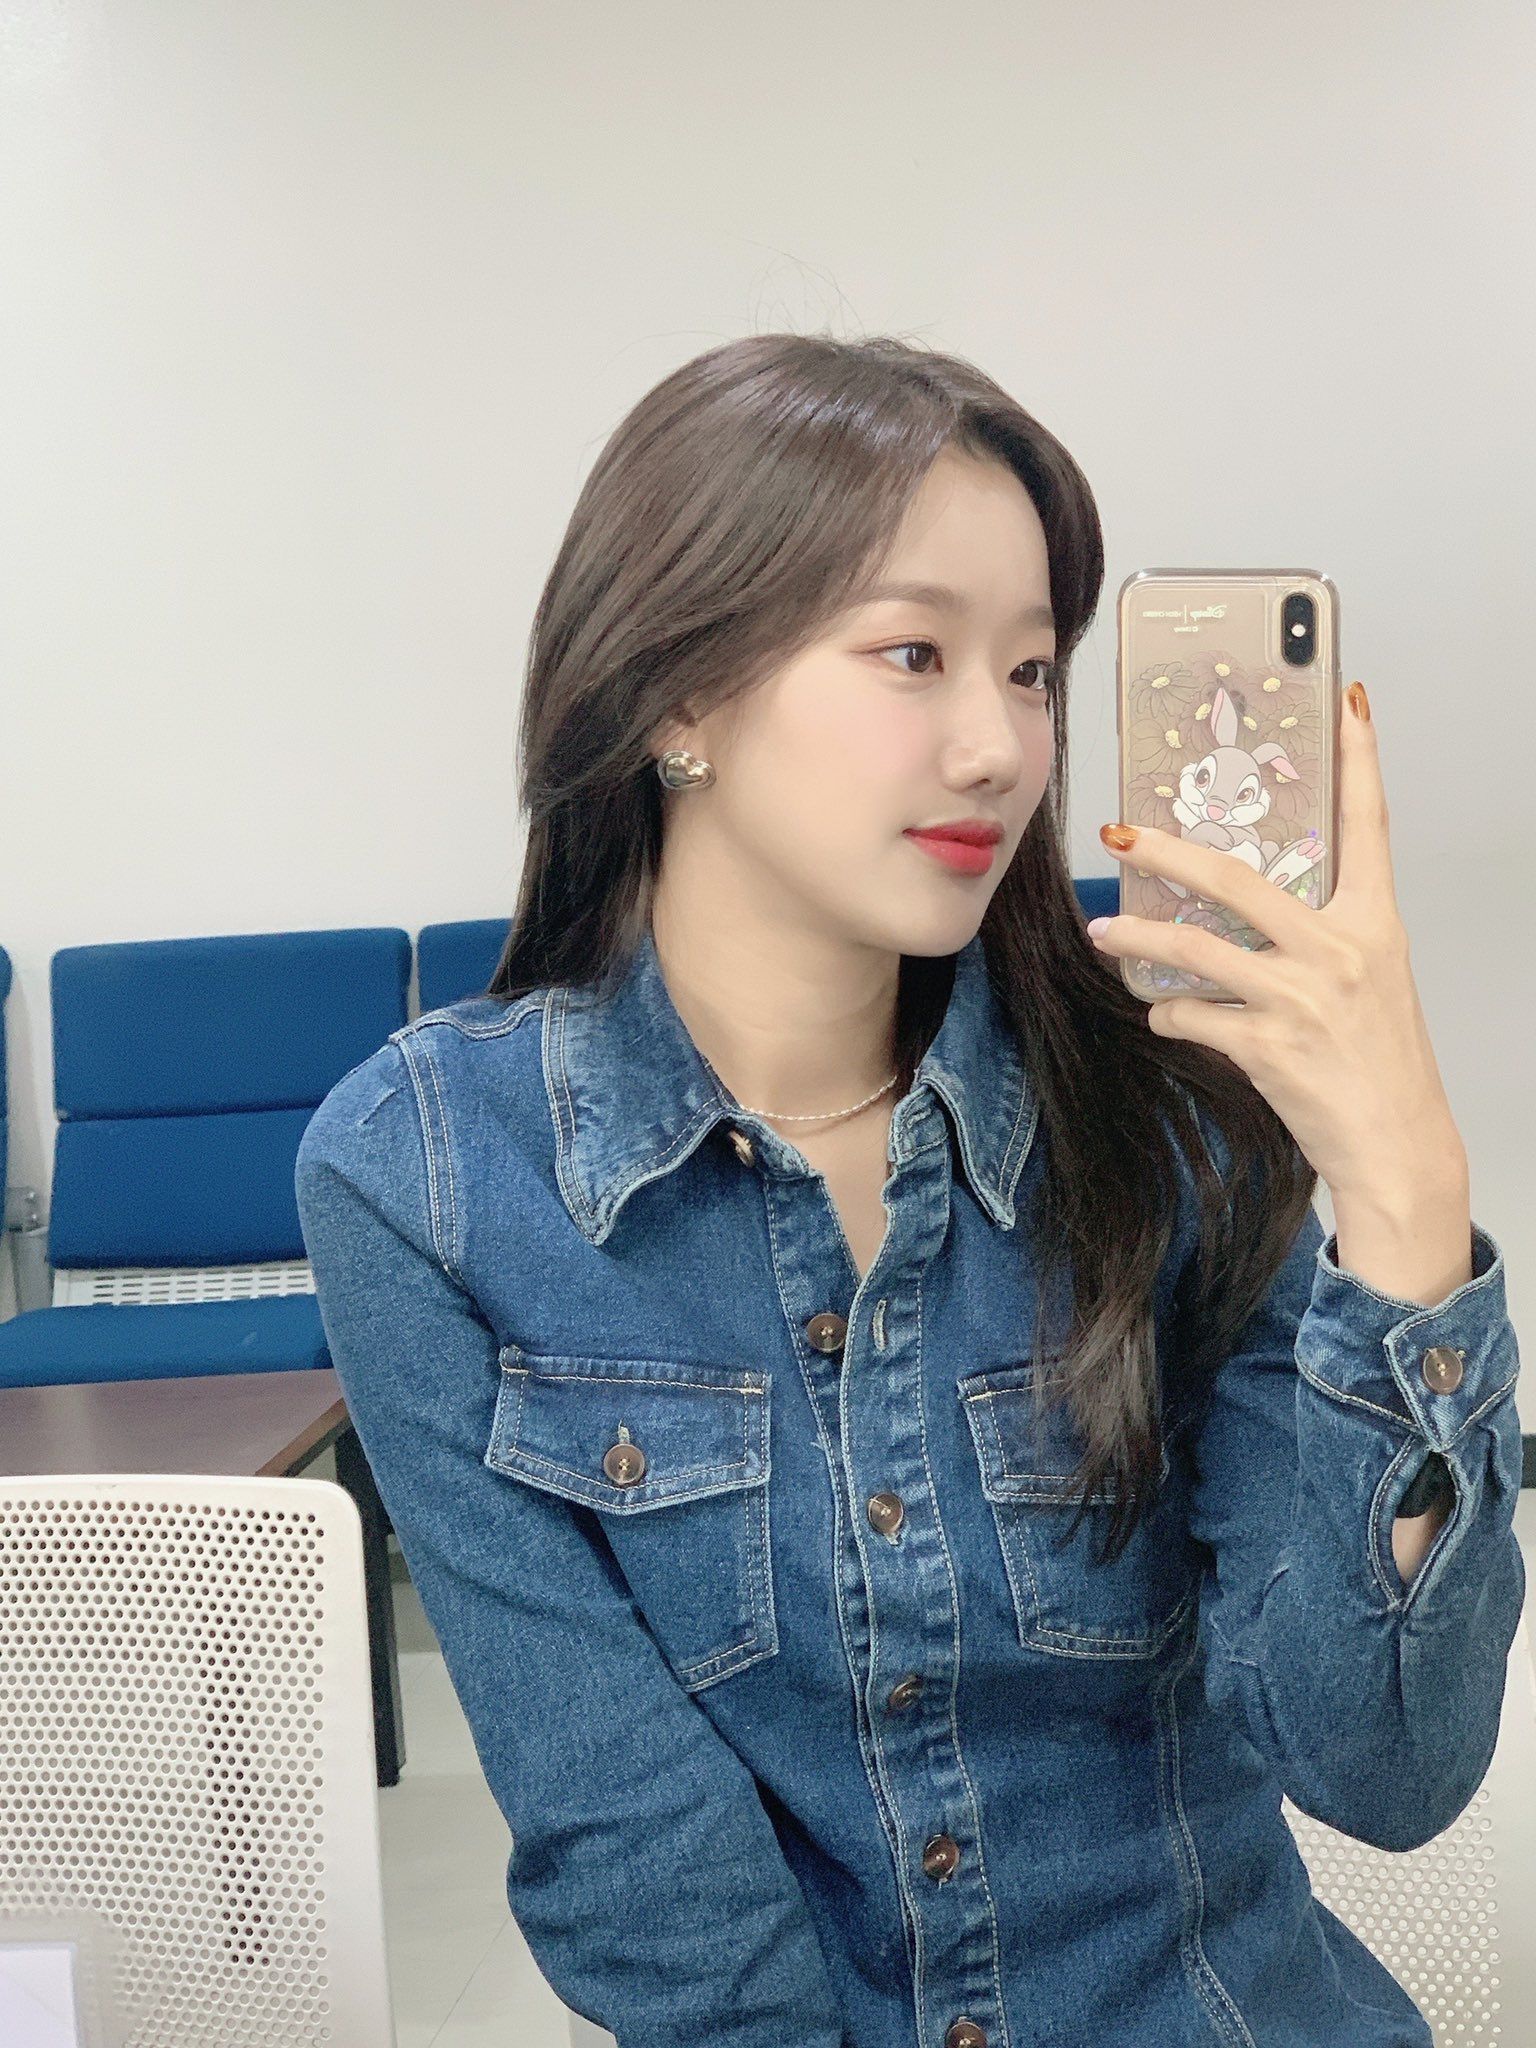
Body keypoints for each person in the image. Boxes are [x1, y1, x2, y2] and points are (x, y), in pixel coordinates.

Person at [294, 332, 1523, 2048]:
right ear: (676, 696)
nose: (1000, 748)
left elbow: (1385, 1765)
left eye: (1031, 671)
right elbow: (639, 1857)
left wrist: (1402, 1202)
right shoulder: (427, 1175)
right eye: (915, 654)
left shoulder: (1164, 1123)